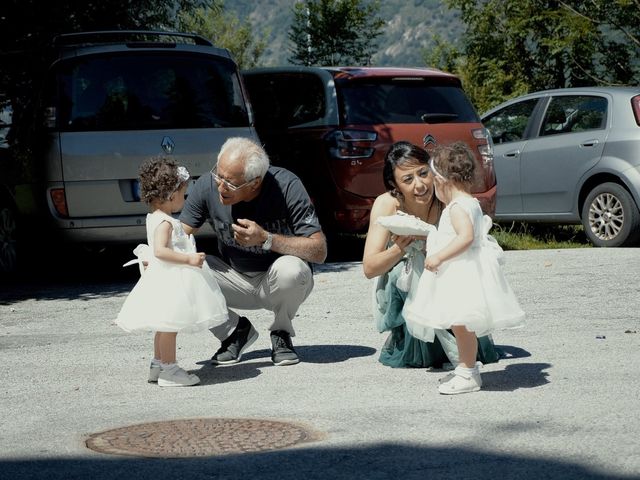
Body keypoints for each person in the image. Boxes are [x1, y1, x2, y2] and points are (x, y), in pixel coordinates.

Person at [180, 137, 327, 366]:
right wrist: (155, 253)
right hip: (232, 278)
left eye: (230, 182)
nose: (220, 186)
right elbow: (179, 234)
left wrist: (266, 239)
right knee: (180, 268)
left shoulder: (287, 185)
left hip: (276, 282)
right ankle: (234, 332)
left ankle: (281, 333)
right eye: (218, 175)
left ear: (254, 182)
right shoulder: (207, 185)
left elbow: (319, 251)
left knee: (293, 269)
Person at [362, 141, 501, 369]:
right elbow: (369, 268)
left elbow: (469, 239)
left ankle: (464, 344)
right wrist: (400, 248)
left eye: (423, 173)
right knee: (403, 271)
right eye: (408, 179)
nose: (420, 185)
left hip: (448, 277)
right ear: (394, 184)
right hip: (407, 286)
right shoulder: (387, 204)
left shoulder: (446, 198)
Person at [403, 142, 525, 394]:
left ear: (442, 181)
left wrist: (438, 257)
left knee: (462, 325)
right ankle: (465, 368)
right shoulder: (470, 202)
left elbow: (465, 237)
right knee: (461, 325)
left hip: (461, 273)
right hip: (467, 271)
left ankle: (468, 372)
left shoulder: (457, 207)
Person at [116, 158, 229, 387]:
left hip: (164, 279)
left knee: (162, 326)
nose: (183, 198)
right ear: (169, 194)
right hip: (171, 281)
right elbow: (160, 251)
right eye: (182, 193)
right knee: (170, 328)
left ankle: (157, 364)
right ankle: (170, 370)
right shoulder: (165, 222)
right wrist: (188, 258)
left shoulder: (155, 217)